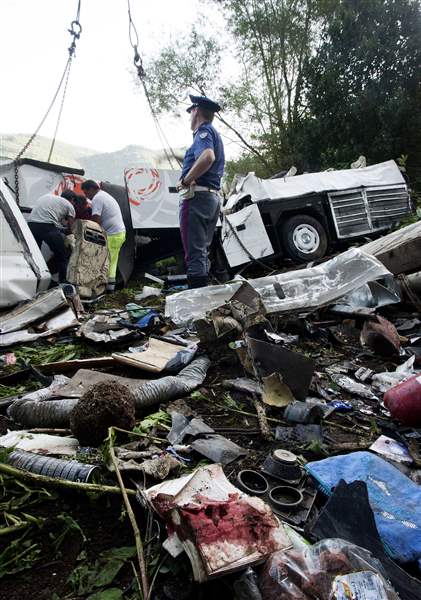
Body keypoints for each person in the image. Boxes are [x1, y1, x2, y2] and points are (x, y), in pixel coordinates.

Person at [178, 94, 225, 289]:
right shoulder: (214, 134)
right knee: (202, 250)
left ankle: (197, 303)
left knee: (194, 252)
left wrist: (186, 179)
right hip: (212, 197)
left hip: (197, 198)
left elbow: (207, 157)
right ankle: (203, 296)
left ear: (196, 110)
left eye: (190, 111)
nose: (189, 116)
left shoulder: (203, 132)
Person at [81, 180, 126, 292]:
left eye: (86, 193)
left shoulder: (98, 198)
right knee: (112, 261)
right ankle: (110, 289)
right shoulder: (104, 195)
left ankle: (105, 289)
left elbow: (96, 220)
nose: (87, 197)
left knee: (104, 262)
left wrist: (86, 231)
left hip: (113, 234)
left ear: (91, 189)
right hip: (118, 233)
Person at [28, 190, 76, 282]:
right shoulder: (70, 206)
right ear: (72, 200)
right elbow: (71, 230)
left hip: (31, 225)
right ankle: (63, 284)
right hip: (47, 227)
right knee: (62, 256)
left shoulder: (48, 196)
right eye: (74, 202)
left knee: (34, 256)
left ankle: (32, 280)